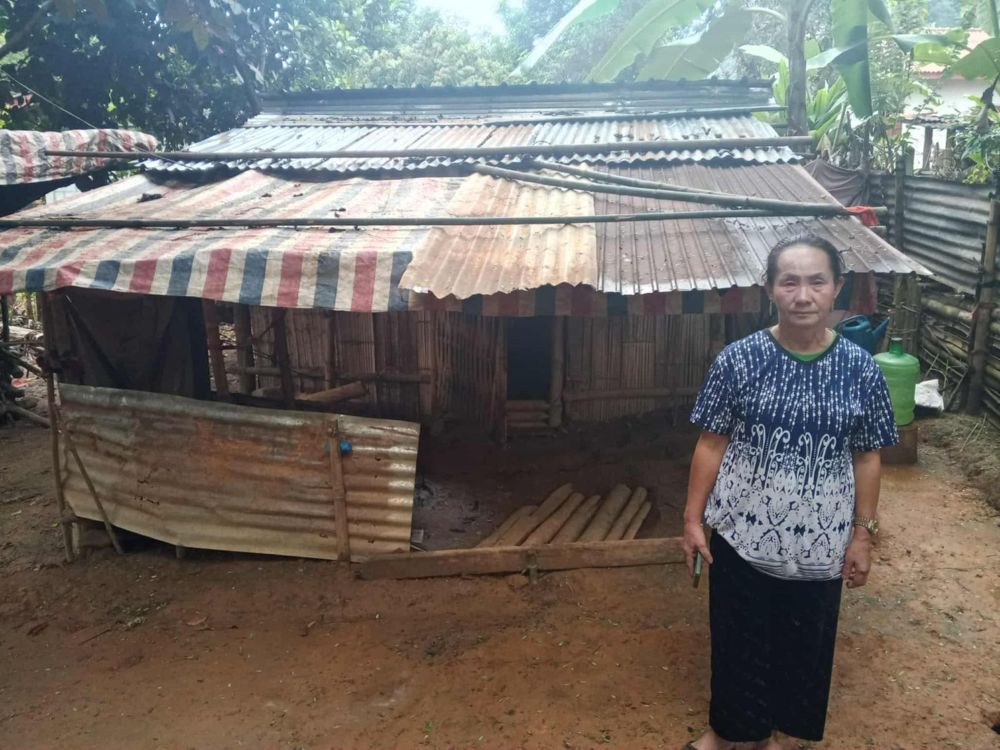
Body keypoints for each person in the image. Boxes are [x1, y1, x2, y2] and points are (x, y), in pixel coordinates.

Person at [681, 234, 898, 750]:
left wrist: (862, 534)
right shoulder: (738, 360)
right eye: (790, 282)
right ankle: (724, 735)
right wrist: (692, 519)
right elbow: (711, 443)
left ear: (837, 287)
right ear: (770, 289)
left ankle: (772, 737)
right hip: (741, 533)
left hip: (821, 542)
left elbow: (867, 455)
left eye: (817, 282)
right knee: (737, 640)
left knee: (801, 645)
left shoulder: (861, 369)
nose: (803, 295)